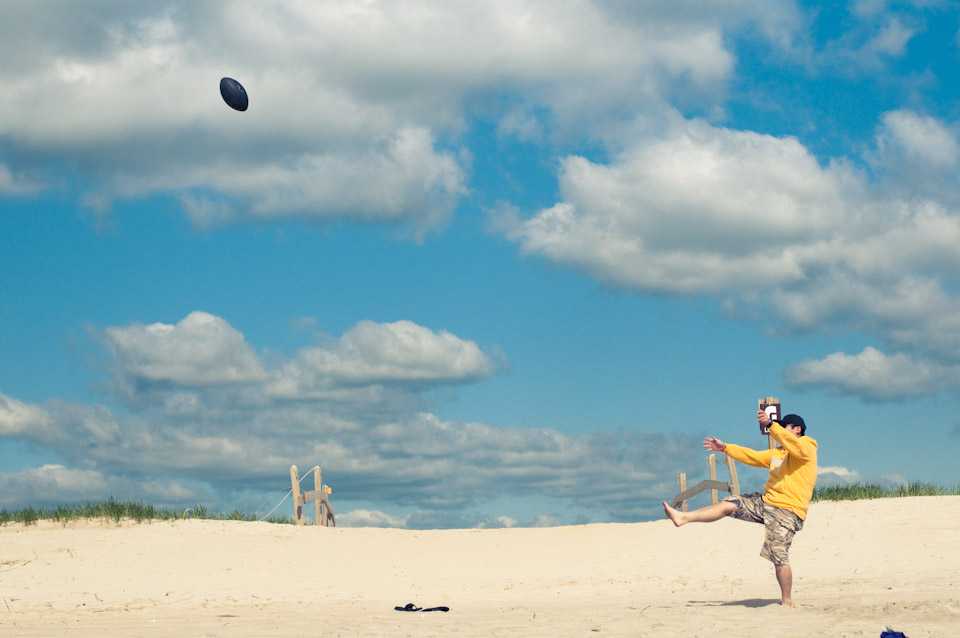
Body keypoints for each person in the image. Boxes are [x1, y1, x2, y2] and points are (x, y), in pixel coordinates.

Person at [662, 409, 818, 607]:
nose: (779, 430)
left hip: (788, 510)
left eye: (783, 426)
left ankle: (787, 600)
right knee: (729, 504)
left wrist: (771, 425)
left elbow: (795, 445)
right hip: (766, 502)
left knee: (779, 555)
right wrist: (725, 447)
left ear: (797, 430)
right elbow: (751, 456)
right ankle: (683, 517)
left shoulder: (807, 446)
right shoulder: (778, 453)